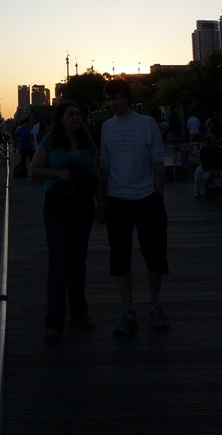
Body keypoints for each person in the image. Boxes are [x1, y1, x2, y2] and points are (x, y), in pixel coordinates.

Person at [99, 79, 170, 334]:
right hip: (117, 199)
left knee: (154, 255)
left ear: (127, 98)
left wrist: (158, 196)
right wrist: (102, 200)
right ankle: (127, 309)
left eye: (116, 98)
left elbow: (158, 162)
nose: (112, 103)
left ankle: (154, 303)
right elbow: (105, 166)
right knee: (120, 257)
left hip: (146, 197)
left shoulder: (146, 124)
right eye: (109, 99)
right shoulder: (106, 127)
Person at [30, 100, 102, 341]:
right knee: (59, 261)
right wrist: (58, 173)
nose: (76, 118)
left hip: (82, 205)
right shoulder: (50, 142)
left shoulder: (87, 141)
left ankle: (79, 313)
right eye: (71, 114)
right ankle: (54, 320)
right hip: (57, 206)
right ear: (61, 118)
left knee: (78, 261)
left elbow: (96, 173)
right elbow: (34, 169)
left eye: (78, 114)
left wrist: (101, 204)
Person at [193, 134, 222, 198]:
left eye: (215, 140)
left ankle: (203, 191)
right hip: (205, 166)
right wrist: (206, 167)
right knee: (198, 172)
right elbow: (202, 160)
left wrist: (215, 168)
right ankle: (196, 192)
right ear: (208, 142)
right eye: (213, 140)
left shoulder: (219, 150)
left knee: (206, 176)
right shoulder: (203, 149)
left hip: (215, 168)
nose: (215, 141)